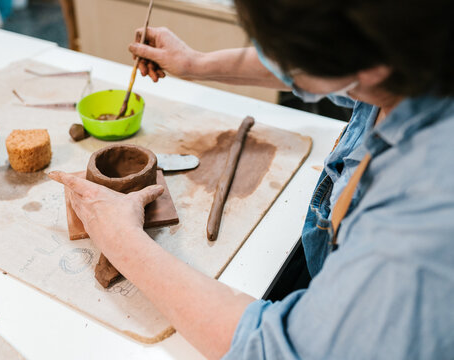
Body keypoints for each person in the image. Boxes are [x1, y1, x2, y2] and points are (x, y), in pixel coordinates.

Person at [49, 0, 454, 358]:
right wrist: (195, 63)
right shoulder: (411, 59)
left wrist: (124, 243)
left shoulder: (422, 214)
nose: (279, 62)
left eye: (285, 51)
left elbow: (282, 349)